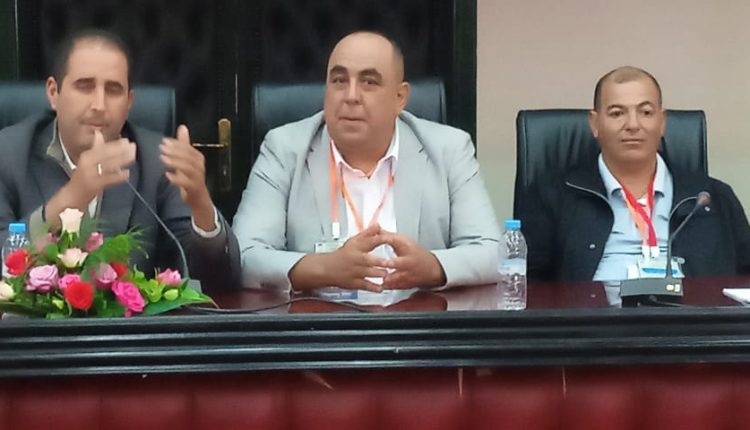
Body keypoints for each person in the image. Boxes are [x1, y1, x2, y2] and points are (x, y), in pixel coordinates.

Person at [233, 31, 498, 302]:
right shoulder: (284, 149)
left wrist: (432, 267)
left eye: (369, 82)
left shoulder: (449, 149)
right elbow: (243, 255)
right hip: (320, 323)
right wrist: (323, 268)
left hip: (416, 321)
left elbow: (492, 252)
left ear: (400, 97)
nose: (351, 96)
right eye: (339, 81)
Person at [0, 29, 239, 289]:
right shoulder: (8, 155)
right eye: (85, 86)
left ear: (129, 102)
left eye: (113, 90)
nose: (99, 105)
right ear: (53, 92)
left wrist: (201, 205)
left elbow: (219, 282)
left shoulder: (159, 162)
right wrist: (70, 198)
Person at [520, 66, 750, 282]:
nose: (632, 124)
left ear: (662, 122)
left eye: (646, 112)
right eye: (617, 113)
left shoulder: (712, 198)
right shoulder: (552, 195)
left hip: (693, 311)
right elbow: (529, 284)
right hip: (593, 311)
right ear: (595, 123)